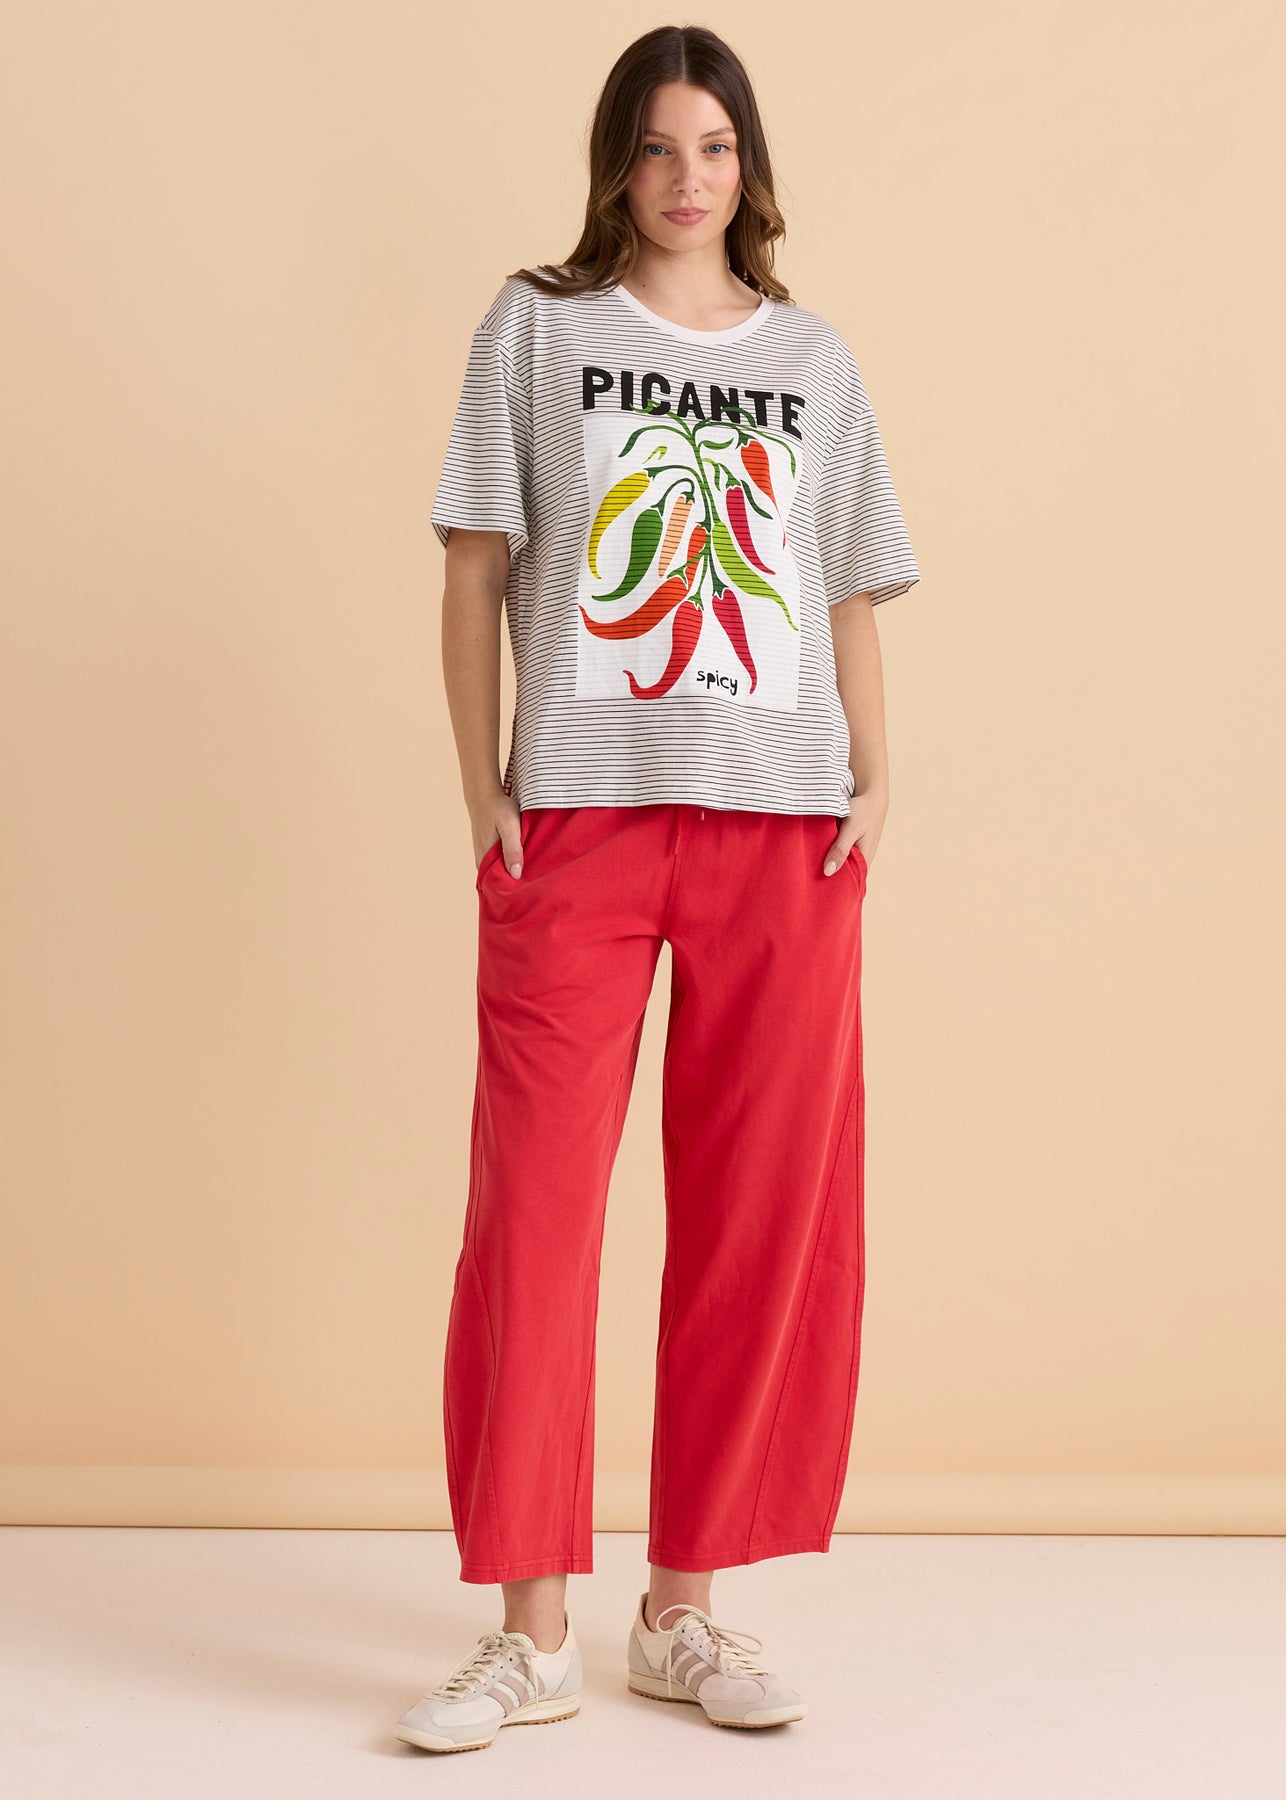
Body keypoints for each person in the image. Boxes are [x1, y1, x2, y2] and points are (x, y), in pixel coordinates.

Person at [393, 23, 920, 1755]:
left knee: (761, 1215)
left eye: (713, 148)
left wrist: (875, 775)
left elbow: (842, 585)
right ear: (612, 164)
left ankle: (683, 1608)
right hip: (582, 822)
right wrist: (481, 783)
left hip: (782, 832)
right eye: (654, 147)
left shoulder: (813, 356)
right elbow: (477, 566)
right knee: (533, 1217)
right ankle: (528, 1634)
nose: (685, 179)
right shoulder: (537, 330)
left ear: (745, 168)